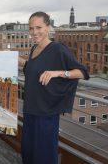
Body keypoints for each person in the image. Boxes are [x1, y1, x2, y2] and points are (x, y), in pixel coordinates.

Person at [20, 11, 89, 164]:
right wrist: (17, 60)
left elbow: (82, 72)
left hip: (46, 114)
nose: (34, 32)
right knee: (28, 153)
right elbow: (33, 70)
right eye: (31, 28)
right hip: (30, 110)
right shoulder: (34, 49)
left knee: (43, 157)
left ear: (48, 27)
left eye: (39, 27)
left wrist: (58, 73)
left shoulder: (58, 49)